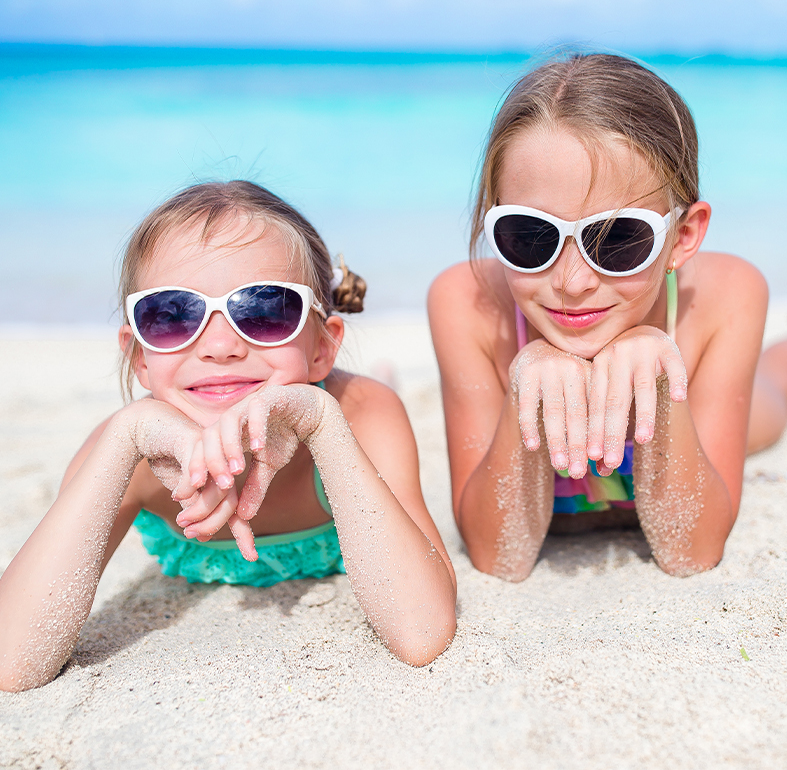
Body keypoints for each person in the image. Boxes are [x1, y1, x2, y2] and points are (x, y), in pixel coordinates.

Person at [0, 181, 456, 691]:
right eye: (172, 315)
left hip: (342, 401)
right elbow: (11, 661)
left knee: (375, 395)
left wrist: (324, 425)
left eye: (263, 312)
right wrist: (126, 431)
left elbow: (422, 633)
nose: (219, 346)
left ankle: (378, 371)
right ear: (139, 358)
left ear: (323, 348)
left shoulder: (361, 418)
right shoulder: (122, 455)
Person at [428, 52, 787, 583]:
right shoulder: (468, 304)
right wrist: (526, 381)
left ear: (684, 236)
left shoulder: (723, 297)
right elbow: (498, 556)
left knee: (776, 390)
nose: (572, 282)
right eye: (531, 236)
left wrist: (663, 382)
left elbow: (689, 552)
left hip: (708, 380)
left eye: (619, 239)